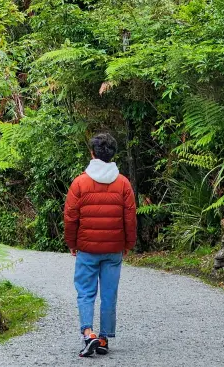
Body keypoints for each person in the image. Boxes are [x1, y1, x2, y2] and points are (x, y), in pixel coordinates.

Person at [64, 132, 137, 358]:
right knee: (109, 293)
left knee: (85, 292)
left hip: (87, 249)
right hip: (114, 249)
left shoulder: (80, 183)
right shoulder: (123, 183)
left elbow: (70, 216)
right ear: (112, 154)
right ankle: (104, 337)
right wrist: (128, 243)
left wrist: (72, 243)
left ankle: (88, 333)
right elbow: (130, 217)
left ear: (92, 153)